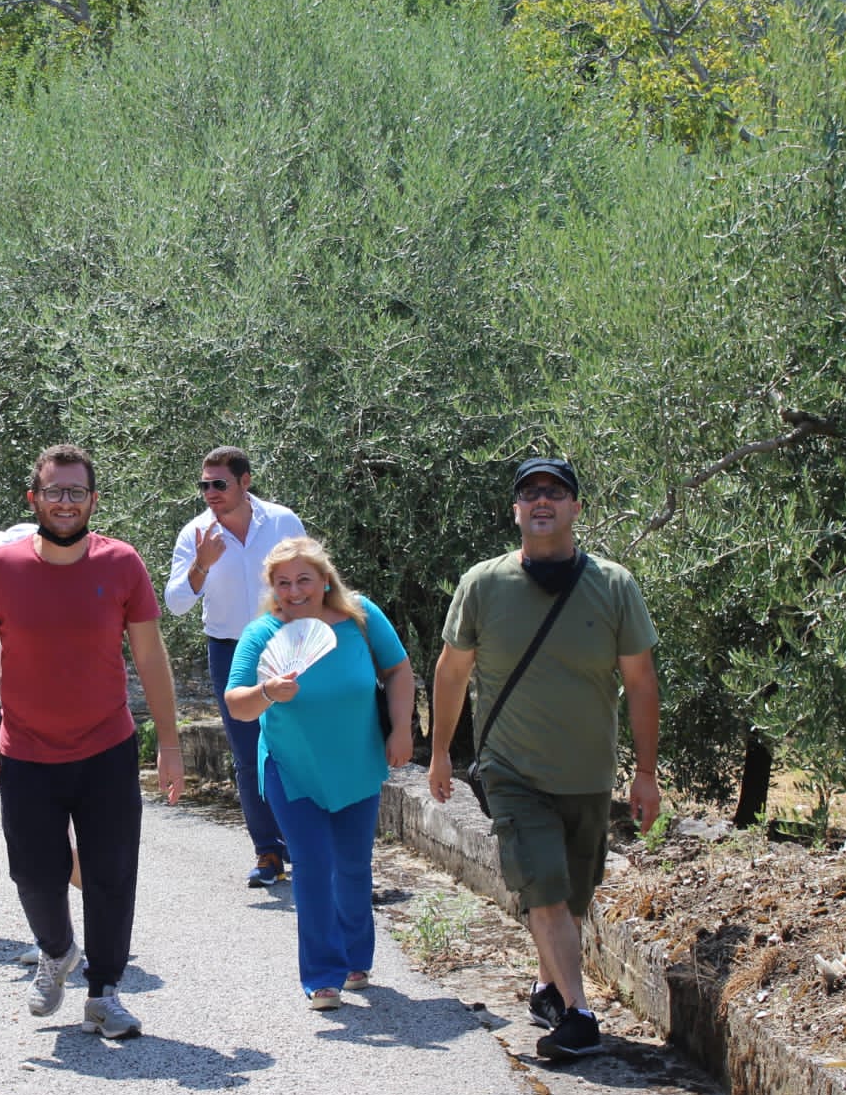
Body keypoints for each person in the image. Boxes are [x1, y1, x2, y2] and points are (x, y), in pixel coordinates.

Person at [426, 458, 661, 1062]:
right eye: (529, 493)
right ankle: (580, 1016)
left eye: (555, 492)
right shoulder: (483, 584)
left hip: (587, 774)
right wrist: (440, 752)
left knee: (571, 899)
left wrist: (645, 774)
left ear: (575, 508)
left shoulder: (614, 585)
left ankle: (547, 988)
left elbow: (641, 682)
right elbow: (452, 672)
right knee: (545, 890)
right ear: (515, 511)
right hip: (512, 771)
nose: (541, 501)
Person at [0, 444, 185, 1039]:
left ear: (93, 500)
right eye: (54, 491)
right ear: (33, 498)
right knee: (34, 875)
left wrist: (170, 744)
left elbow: (150, 655)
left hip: (107, 748)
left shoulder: (122, 563)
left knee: (111, 873)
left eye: (76, 491)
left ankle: (104, 993)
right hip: (26, 752)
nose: (64, 502)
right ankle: (56, 951)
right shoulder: (1, 568)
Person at [223, 538, 414, 1008]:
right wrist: (267, 692)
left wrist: (401, 729)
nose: (294, 591)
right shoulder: (262, 633)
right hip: (292, 766)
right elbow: (236, 702)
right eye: (283, 582)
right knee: (312, 864)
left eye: (303, 580)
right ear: (272, 587)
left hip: (357, 761)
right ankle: (322, 976)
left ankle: (355, 958)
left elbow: (398, 670)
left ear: (325, 580)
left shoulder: (361, 617)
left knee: (352, 864)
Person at [164, 446, 307, 890]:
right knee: (247, 755)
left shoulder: (282, 522)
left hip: (287, 644)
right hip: (230, 651)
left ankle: (306, 845)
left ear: (245, 482)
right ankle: (268, 852)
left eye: (219, 484)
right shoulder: (195, 534)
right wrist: (201, 565)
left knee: (300, 745)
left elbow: (314, 577)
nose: (210, 492)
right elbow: (175, 603)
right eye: (204, 485)